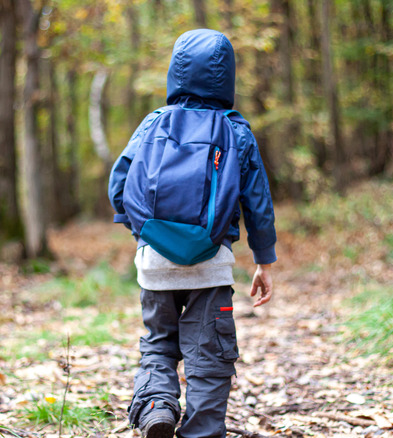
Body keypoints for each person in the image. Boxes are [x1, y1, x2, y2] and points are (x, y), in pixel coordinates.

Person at [108, 28, 277, 438]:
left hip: (155, 266)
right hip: (210, 265)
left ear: (176, 71)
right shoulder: (236, 130)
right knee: (210, 358)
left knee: (158, 344)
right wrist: (264, 259)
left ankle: (156, 407)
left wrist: (145, 234)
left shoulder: (154, 122)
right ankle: (200, 432)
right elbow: (257, 201)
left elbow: (119, 185)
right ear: (227, 76)